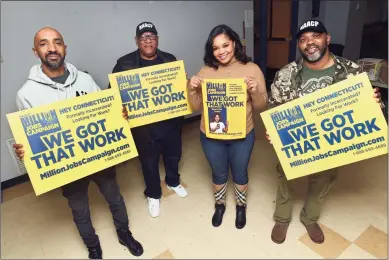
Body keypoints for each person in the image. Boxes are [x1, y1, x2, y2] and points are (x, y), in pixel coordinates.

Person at [13, 27, 143, 259]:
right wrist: (24, 148)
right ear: (36, 51)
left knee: (115, 198)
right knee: (80, 210)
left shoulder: (85, 79)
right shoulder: (27, 94)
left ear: (65, 48)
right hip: (69, 167)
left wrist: (118, 115)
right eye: (44, 44)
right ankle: (92, 245)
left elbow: (105, 114)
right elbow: (30, 137)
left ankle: (124, 233)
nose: (52, 48)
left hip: (99, 157)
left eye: (57, 42)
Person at [267, 19, 384, 244]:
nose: (309, 43)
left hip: (332, 140)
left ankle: (310, 218)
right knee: (285, 175)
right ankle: (282, 218)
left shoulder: (351, 71)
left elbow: (370, 112)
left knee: (323, 178)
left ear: (327, 39)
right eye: (303, 39)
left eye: (315, 36)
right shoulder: (286, 74)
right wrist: (274, 129)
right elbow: (275, 108)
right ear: (299, 46)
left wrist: (375, 102)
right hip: (297, 139)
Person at [188, 25, 268, 229]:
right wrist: (192, 89)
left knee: (240, 173)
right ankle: (220, 205)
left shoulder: (251, 69)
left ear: (234, 43)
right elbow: (196, 106)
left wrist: (255, 90)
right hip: (211, 135)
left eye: (225, 45)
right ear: (211, 50)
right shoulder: (206, 71)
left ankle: (241, 207)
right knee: (218, 173)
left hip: (242, 134)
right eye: (215, 48)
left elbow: (260, 106)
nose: (221, 51)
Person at [109, 22, 188, 218]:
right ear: (136, 41)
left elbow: (180, 90)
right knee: (149, 163)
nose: (148, 41)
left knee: (173, 156)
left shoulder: (169, 59)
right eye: (143, 37)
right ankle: (153, 194)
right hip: (144, 128)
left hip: (170, 123)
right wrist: (121, 108)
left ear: (157, 39)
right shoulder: (124, 63)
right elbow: (112, 94)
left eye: (151, 37)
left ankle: (173, 181)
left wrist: (183, 82)